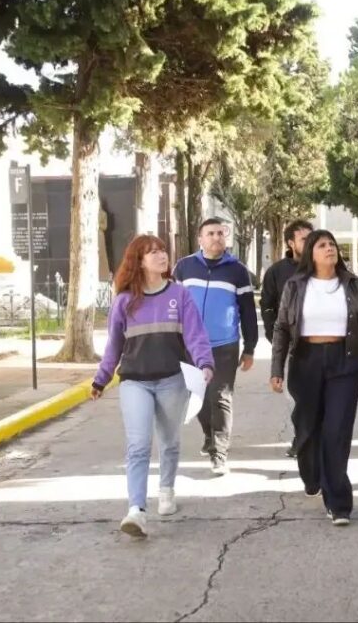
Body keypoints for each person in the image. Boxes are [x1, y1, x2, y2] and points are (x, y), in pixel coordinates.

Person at [91, 235, 214, 538]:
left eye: (162, 251)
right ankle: (136, 510)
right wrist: (102, 378)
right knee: (138, 445)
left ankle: (167, 490)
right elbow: (114, 347)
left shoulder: (179, 295)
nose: (161, 256)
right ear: (139, 261)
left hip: (172, 379)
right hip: (135, 382)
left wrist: (205, 363)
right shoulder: (124, 302)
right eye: (153, 252)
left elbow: (195, 335)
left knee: (169, 441)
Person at [270, 229, 358, 526]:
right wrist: (276, 369)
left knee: (336, 431)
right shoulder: (296, 285)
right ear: (310, 252)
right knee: (308, 430)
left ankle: (339, 502)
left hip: (345, 362)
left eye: (332, 244)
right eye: (322, 245)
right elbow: (282, 328)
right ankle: (313, 476)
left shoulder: (352, 285)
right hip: (305, 361)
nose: (329, 248)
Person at [173, 217, 258, 476]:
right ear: (200, 239)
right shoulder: (184, 267)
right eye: (210, 233)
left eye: (221, 233)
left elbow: (247, 311)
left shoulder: (237, 271)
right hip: (190, 344)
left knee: (220, 396)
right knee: (198, 395)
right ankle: (209, 435)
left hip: (225, 345)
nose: (216, 237)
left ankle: (219, 453)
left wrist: (250, 347)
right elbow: (174, 305)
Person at [260, 219, 313, 458]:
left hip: (327, 345)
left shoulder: (325, 266)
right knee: (301, 397)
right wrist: (275, 337)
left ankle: (311, 440)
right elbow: (267, 306)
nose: (311, 243)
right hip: (294, 347)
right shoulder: (277, 272)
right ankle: (302, 437)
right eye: (304, 239)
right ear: (291, 243)